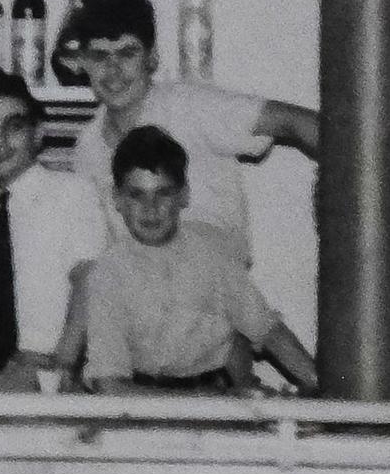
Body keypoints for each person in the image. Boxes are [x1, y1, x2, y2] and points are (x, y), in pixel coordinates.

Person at [63, 0, 318, 261]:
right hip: (141, 295)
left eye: (127, 53)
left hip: (218, 290)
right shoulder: (86, 149)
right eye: (100, 56)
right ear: (84, 64)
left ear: (152, 58)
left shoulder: (190, 105)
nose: (113, 71)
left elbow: (295, 122)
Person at [83, 125, 317, 396]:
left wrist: (323, 388)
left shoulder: (213, 253)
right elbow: (109, 384)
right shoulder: (108, 273)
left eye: (164, 193)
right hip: (141, 407)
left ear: (184, 196)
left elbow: (269, 331)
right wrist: (195, 402)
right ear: (117, 199)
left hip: (220, 399)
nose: (151, 209)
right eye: (137, 195)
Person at [0, 70, 109, 392]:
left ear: (37, 133)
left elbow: (89, 280)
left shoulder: (73, 193)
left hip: (46, 367)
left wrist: (64, 362)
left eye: (13, 127)